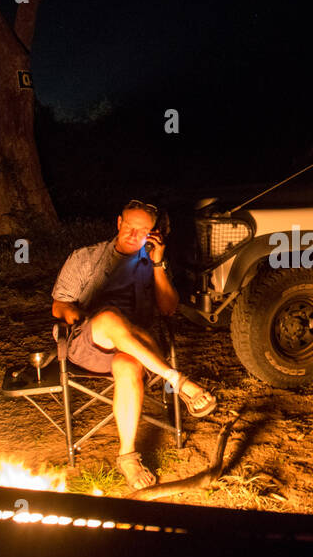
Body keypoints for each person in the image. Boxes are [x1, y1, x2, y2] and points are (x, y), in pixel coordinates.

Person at [51, 199, 216, 489]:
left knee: (127, 365)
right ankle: (178, 381)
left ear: (153, 234)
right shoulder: (85, 257)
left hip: (138, 347)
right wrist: (75, 315)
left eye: (142, 230)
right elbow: (59, 304)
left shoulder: (153, 262)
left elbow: (167, 308)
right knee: (108, 317)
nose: (133, 234)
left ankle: (127, 455)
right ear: (118, 223)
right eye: (129, 227)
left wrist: (158, 263)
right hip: (91, 342)